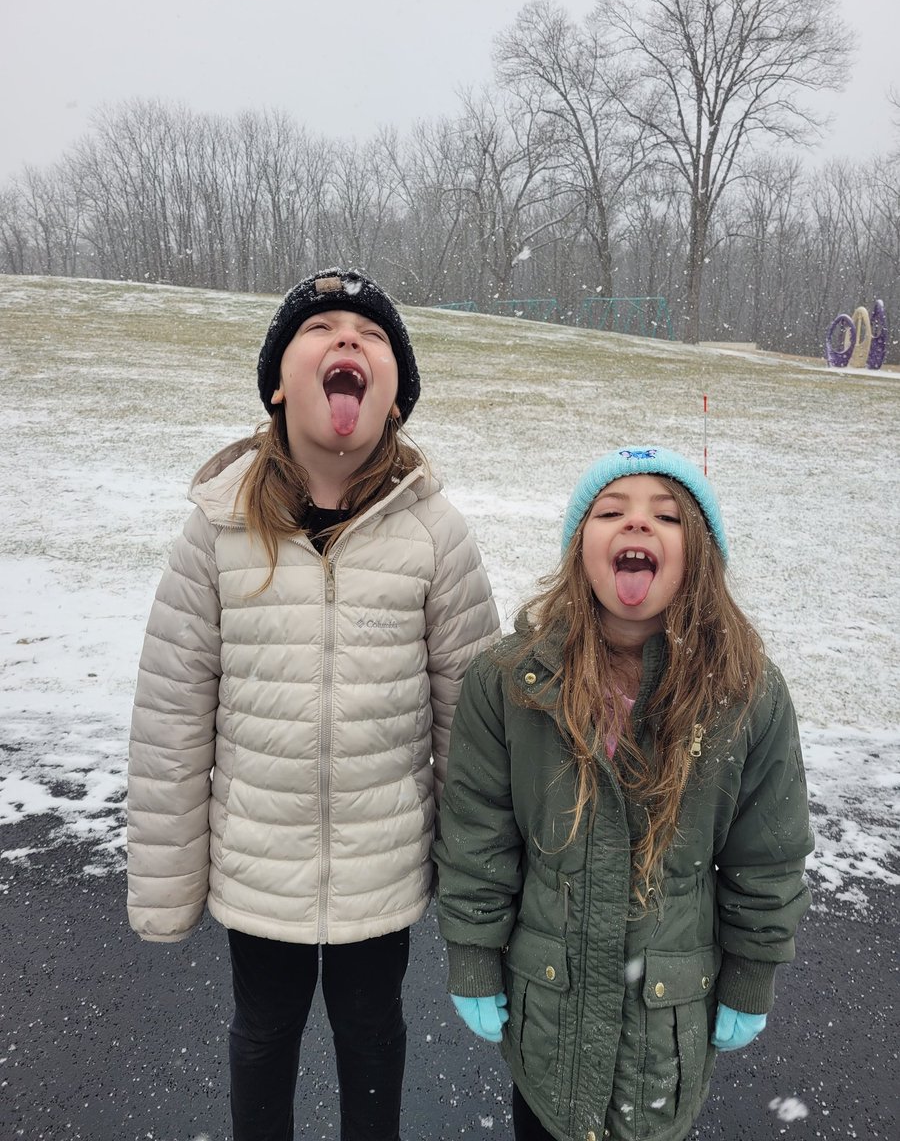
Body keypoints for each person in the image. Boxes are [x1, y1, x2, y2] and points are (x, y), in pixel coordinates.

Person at [126, 268, 499, 1141]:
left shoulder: (435, 533)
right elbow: (172, 717)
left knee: (373, 1035)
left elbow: (472, 724)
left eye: (370, 337)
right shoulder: (218, 529)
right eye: (320, 329)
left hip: (383, 859)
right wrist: (166, 887)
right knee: (263, 1035)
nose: (347, 342)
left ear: (395, 398)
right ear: (276, 384)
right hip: (260, 857)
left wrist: (482, 882)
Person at [433, 446, 813, 1141]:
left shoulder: (747, 692)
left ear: (697, 552)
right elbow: (477, 833)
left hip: (666, 1029)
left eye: (665, 516)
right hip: (548, 1014)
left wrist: (753, 973)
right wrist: (474, 956)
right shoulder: (510, 681)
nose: (636, 526)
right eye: (611, 511)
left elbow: (769, 854)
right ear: (581, 547)